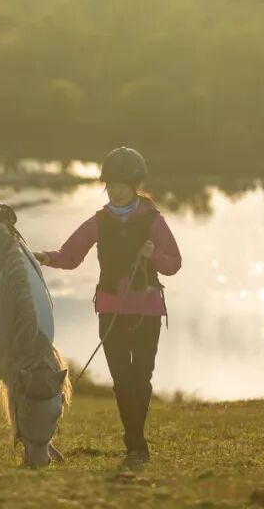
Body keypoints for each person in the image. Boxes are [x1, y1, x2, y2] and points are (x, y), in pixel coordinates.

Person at [33, 146, 182, 462]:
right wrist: (45, 257)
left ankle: (134, 438)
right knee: (122, 379)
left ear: (135, 185)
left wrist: (153, 256)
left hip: (147, 311)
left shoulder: (154, 220)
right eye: (110, 185)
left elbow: (173, 263)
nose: (115, 191)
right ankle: (136, 442)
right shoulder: (98, 221)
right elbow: (71, 255)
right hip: (111, 309)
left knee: (141, 378)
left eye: (122, 185)